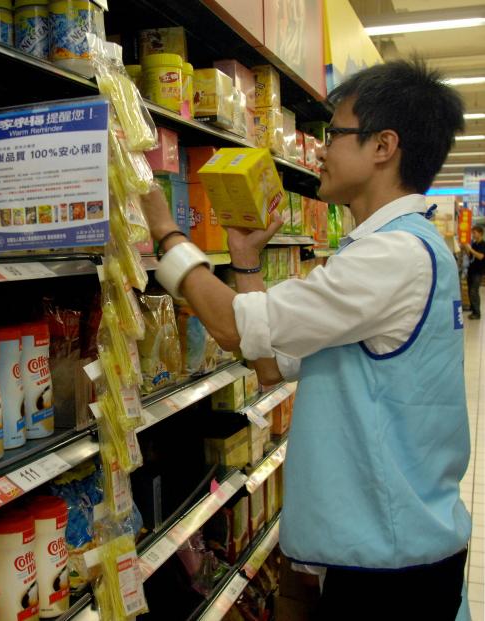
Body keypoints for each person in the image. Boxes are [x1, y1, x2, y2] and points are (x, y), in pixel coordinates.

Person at [141, 59, 471, 620]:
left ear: (383, 146)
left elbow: (232, 326)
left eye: (334, 134)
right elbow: (271, 367)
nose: (320, 150)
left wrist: (165, 231)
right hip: (386, 554)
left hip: (391, 568)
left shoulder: (392, 256)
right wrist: (245, 264)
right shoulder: (398, 248)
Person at [463, 224, 484, 319]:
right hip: (471, 270)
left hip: (478, 272)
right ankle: (472, 308)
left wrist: (470, 249)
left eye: (474, 233)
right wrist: (466, 249)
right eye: (472, 233)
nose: (473, 235)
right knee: (470, 290)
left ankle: (477, 313)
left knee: (473, 291)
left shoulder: (483, 244)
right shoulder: (475, 244)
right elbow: (471, 256)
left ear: (480, 233)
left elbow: (480, 256)